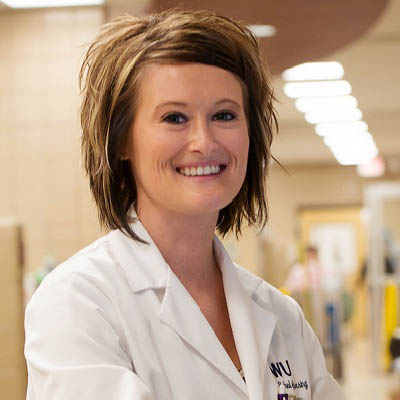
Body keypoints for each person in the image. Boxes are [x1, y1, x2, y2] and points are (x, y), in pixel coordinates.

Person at [24, 9, 344, 400]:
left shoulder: (281, 316)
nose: (204, 142)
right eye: (174, 117)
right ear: (122, 141)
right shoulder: (78, 303)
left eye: (224, 115)